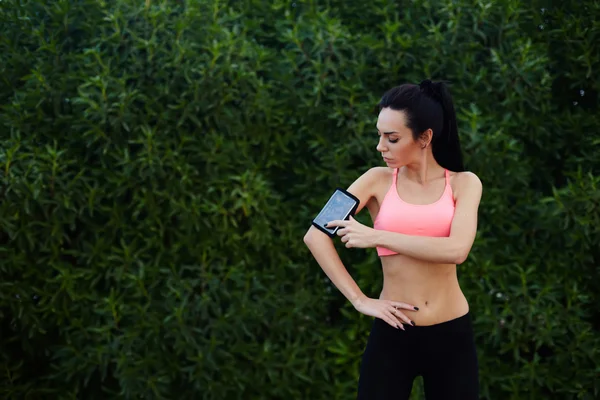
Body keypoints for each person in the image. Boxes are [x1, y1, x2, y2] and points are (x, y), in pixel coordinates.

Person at [303, 79, 483, 400]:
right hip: (393, 331)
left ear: (425, 137)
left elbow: (457, 249)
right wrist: (360, 300)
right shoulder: (375, 180)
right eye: (379, 135)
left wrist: (377, 236)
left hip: (450, 334)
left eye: (392, 138)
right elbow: (315, 234)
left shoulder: (464, 184)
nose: (380, 146)